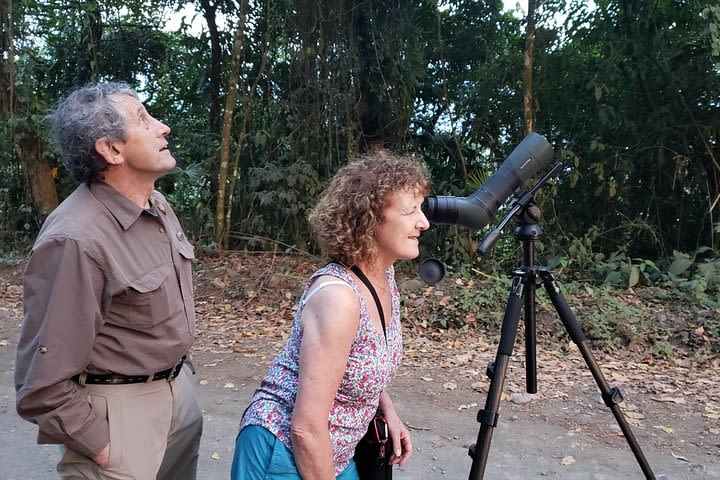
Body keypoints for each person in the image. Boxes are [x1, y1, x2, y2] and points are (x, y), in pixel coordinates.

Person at [14, 82, 203, 480]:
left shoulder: (157, 205)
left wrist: (180, 388)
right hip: (120, 419)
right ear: (112, 150)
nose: (163, 127)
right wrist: (105, 447)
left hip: (178, 397)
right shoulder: (75, 239)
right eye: (143, 120)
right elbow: (41, 384)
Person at [231, 150, 430, 479]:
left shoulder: (384, 276)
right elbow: (306, 428)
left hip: (334, 453)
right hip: (283, 451)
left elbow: (358, 363)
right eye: (411, 211)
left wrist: (388, 410)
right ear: (369, 219)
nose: (423, 222)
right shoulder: (338, 297)